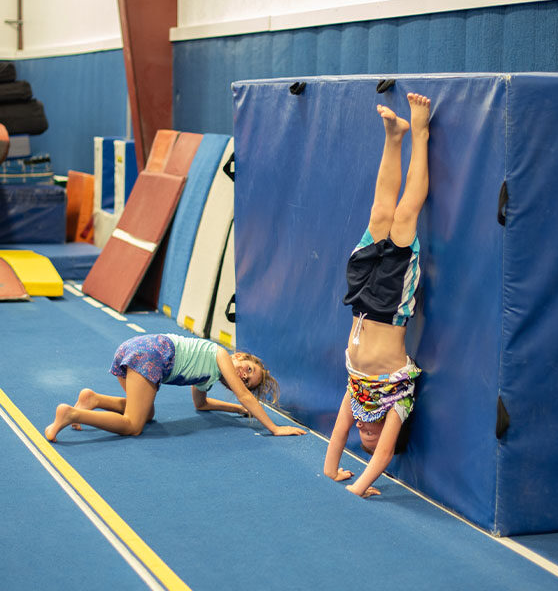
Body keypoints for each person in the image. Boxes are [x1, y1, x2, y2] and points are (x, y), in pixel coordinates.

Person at [323, 93, 431, 497]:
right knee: (404, 217)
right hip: (390, 308)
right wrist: (361, 486)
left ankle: (394, 135)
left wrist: (333, 470)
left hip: (361, 302)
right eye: (372, 434)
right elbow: (383, 457)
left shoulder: (356, 396)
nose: (365, 432)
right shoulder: (398, 403)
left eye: (362, 436)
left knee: (379, 214)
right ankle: (418, 133)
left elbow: (337, 435)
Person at [45, 333, 306, 441]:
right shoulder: (221, 355)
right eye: (248, 369)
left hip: (138, 347)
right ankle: (71, 414)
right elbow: (244, 394)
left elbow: (201, 405)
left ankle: (92, 399)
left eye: (248, 379)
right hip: (151, 354)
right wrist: (274, 428)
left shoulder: (210, 374)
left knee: (147, 414)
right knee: (133, 426)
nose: (244, 376)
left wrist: (237, 410)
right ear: (240, 356)